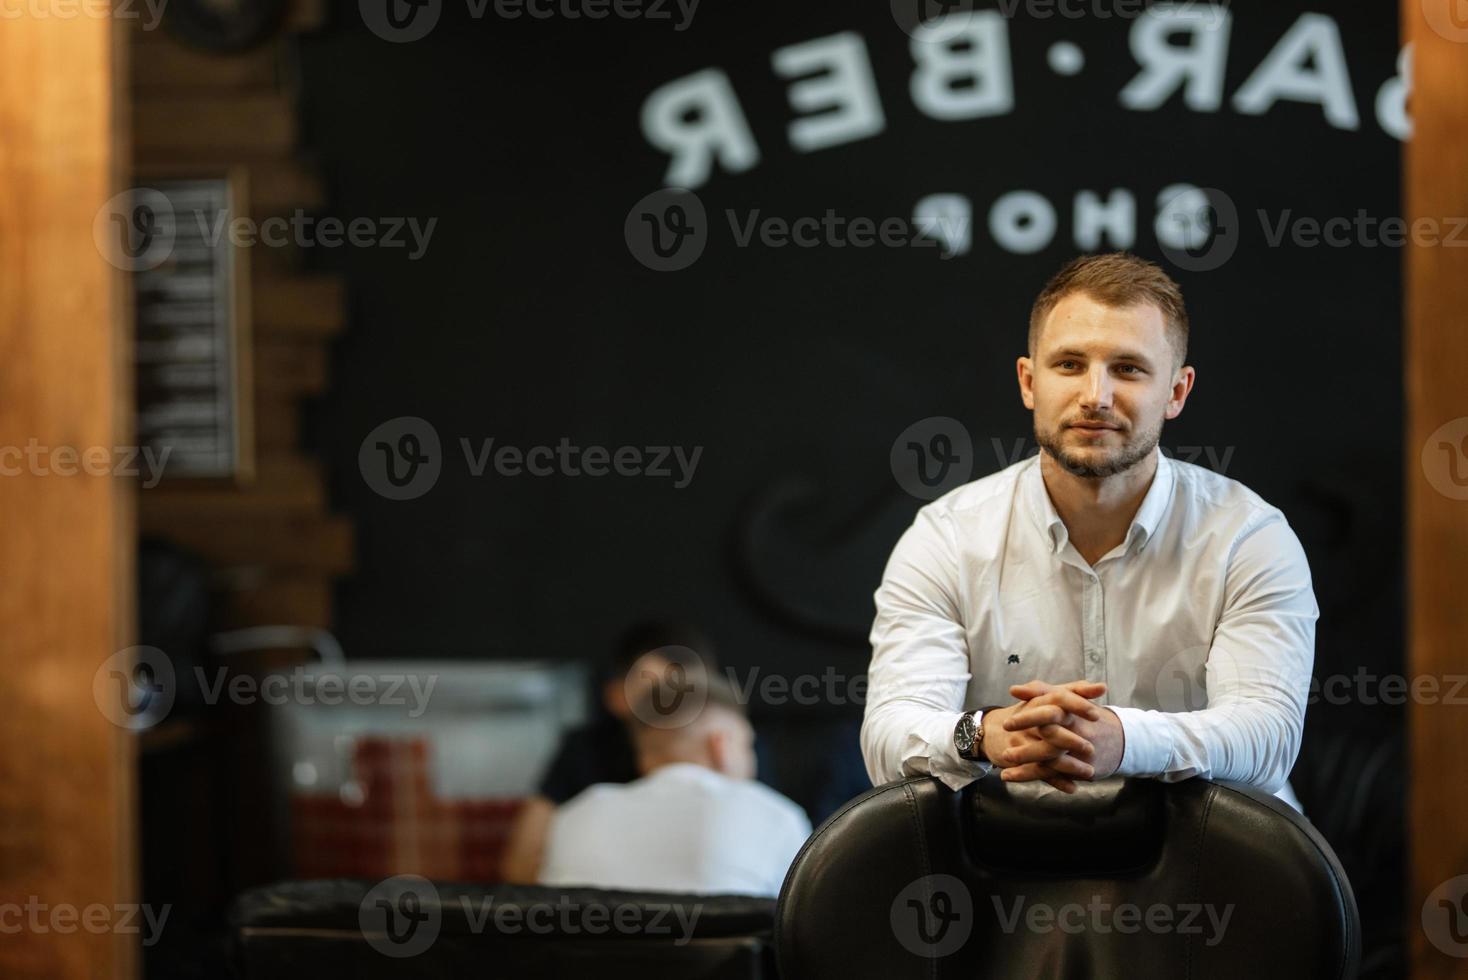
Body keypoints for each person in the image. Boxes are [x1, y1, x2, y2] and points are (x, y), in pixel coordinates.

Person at [862, 252, 1317, 810]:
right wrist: (985, 734)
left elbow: (1267, 740)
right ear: (1030, 381)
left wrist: (1122, 740)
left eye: (1128, 368)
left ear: (1177, 391)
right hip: (1006, 861)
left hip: (1216, 857)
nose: (1096, 395)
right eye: (1070, 364)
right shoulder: (947, 537)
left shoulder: (1249, 538)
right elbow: (887, 735)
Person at [531, 668, 812, 896]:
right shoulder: (776, 816)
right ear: (721, 746)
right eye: (746, 744)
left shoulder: (573, 816)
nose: (751, 758)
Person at [500, 621, 715, 883]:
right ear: (615, 696)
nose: (671, 709)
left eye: (687, 693)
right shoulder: (584, 751)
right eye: (653, 692)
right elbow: (521, 864)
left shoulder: (729, 750)